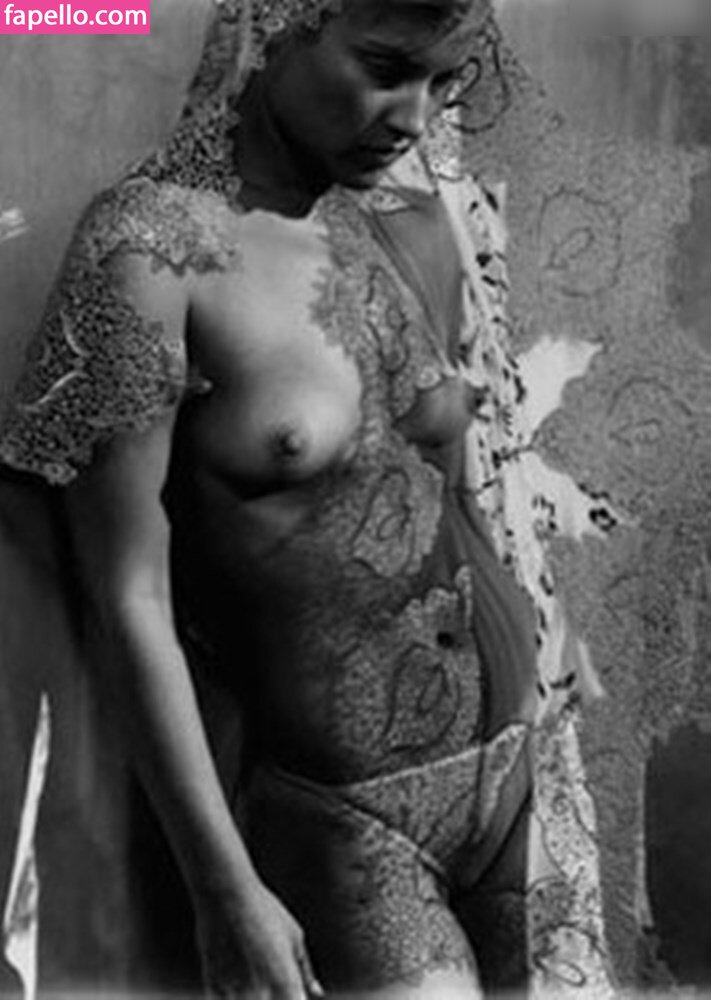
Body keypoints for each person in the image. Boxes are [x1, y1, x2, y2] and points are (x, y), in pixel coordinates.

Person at [0, 0, 613, 996]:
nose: (414, 117)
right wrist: (222, 886)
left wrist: (552, 649)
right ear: (275, 22)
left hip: (527, 774)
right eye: (385, 69)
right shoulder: (148, 251)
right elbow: (126, 598)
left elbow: (460, 486)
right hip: (355, 825)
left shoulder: (389, 221)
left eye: (443, 82)